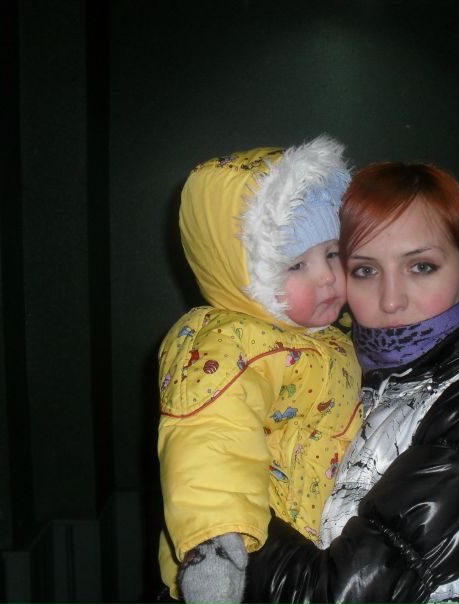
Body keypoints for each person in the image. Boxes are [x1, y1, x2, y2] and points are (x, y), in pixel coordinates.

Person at [241, 162, 459, 604]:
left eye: (421, 266)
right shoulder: (350, 375)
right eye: (365, 270)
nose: (391, 300)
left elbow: (344, 594)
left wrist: (220, 516)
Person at [156, 135, 363, 604]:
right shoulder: (227, 343)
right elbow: (210, 439)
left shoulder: (330, 337)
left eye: (333, 253)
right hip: (249, 570)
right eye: (297, 264)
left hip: (314, 560)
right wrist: (216, 550)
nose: (327, 276)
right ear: (244, 276)